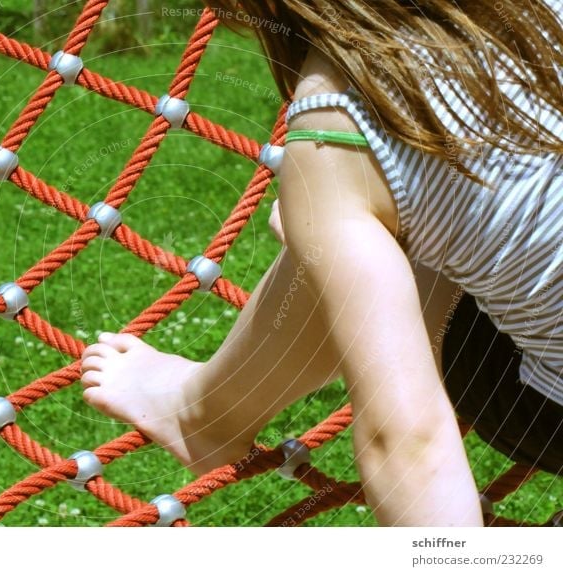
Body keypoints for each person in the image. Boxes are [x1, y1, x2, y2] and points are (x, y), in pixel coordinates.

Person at [80, 0, 563, 526]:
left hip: (544, 409)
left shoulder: (336, 117)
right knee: (354, 222)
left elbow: (407, 442)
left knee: (356, 225)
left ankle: (208, 414)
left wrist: (330, 227)